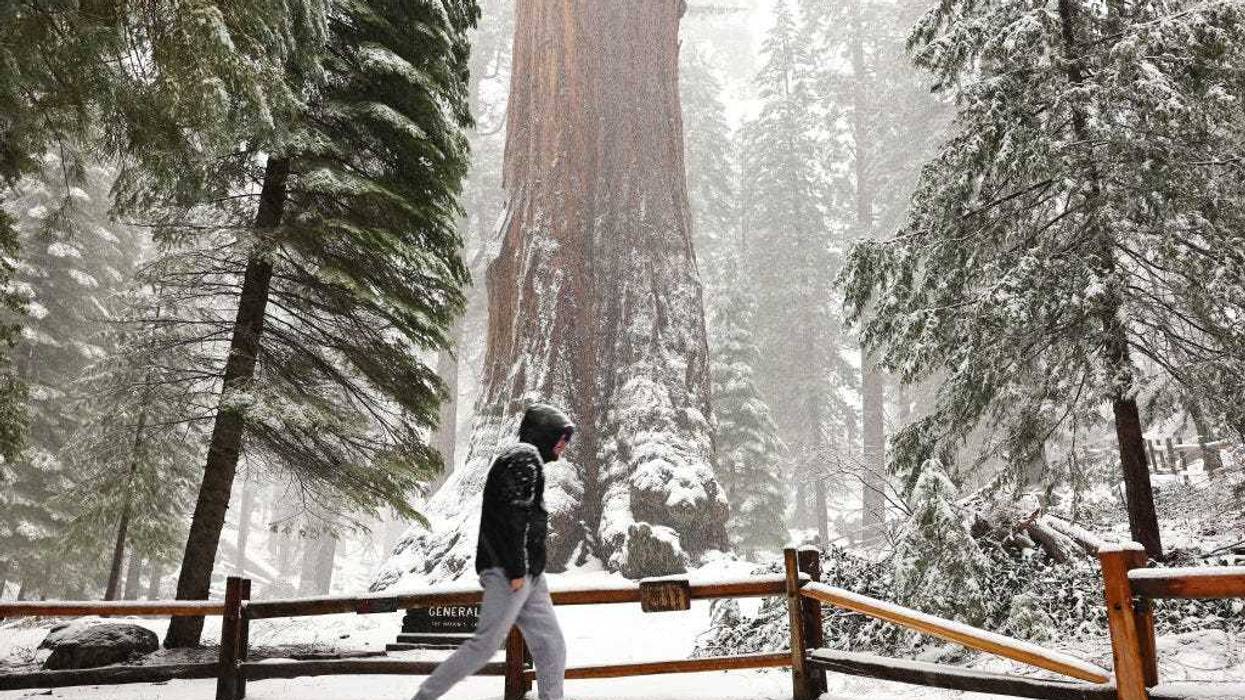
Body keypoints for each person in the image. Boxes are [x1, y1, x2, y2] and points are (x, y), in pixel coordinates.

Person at [413, 403, 574, 700]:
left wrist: (530, 570)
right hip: (509, 571)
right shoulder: (522, 459)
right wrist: (515, 570)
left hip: (529, 574)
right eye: (561, 437)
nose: (564, 445)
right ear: (544, 433)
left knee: (551, 645)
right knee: (484, 646)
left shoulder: (528, 459)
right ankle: (424, 696)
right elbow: (513, 516)